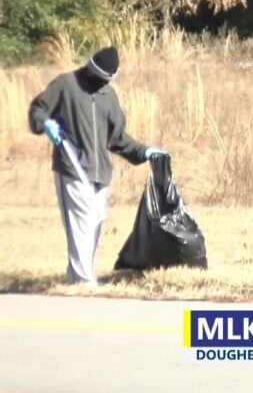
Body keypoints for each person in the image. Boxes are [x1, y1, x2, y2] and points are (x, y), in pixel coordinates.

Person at [27, 46, 166, 287]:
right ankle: (82, 281)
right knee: (81, 221)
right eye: (98, 77)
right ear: (90, 68)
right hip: (71, 166)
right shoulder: (66, 84)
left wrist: (144, 151)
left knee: (94, 222)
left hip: (100, 172)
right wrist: (45, 124)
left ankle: (78, 276)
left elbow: (117, 139)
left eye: (105, 80)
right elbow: (38, 109)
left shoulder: (108, 96)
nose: (100, 83)